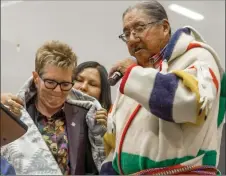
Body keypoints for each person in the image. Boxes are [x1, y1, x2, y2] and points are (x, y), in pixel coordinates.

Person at [101, 0, 225, 175]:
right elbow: (116, 139)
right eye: (126, 33)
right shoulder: (136, 74)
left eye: (139, 28)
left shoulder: (198, 57)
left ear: (165, 27)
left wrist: (133, 73)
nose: (132, 38)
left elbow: (188, 104)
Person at [0, 40, 106, 175]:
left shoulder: (85, 115)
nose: (57, 91)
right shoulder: (18, 112)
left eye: (65, 84)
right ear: (36, 78)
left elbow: (95, 167)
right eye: (50, 82)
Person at [73, 61, 115, 154]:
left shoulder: (112, 119)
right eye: (79, 80)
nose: (83, 87)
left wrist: (104, 132)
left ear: (102, 92)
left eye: (92, 84)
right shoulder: (55, 111)